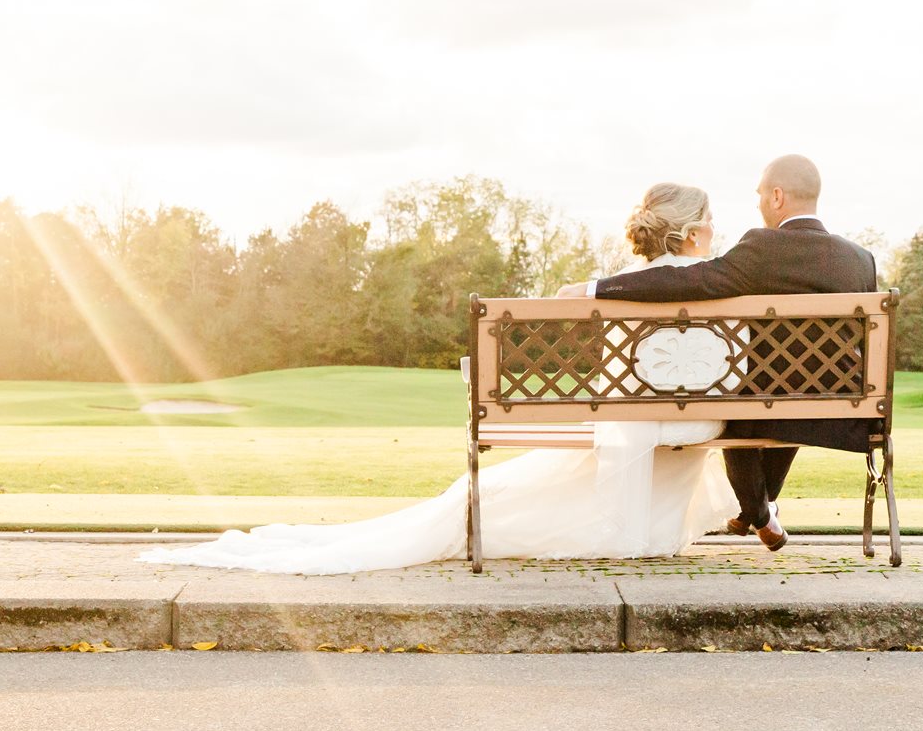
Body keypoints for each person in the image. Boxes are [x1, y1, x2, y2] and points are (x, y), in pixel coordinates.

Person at [136, 183, 736, 574]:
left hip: (630, 419)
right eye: (709, 223)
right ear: (687, 234)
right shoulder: (713, 279)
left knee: (611, 444)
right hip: (685, 418)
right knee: (670, 430)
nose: (716, 231)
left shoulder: (624, 285)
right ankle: (647, 528)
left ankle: (497, 517)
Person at [561, 154, 878, 552]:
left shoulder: (762, 248)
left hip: (764, 403)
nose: (759, 203)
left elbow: (691, 280)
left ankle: (758, 511)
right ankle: (760, 510)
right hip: (839, 407)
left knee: (742, 400)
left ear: (777, 196)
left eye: (761, 194)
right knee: (797, 386)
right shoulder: (860, 260)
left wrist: (596, 289)